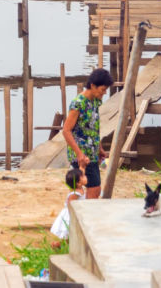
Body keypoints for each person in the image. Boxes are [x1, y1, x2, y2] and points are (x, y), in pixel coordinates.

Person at [62, 67, 113, 200]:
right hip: (82, 154)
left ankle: (87, 214)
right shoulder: (78, 104)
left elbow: (93, 128)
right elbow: (66, 130)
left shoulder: (95, 101)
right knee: (94, 188)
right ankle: (87, 217)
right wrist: (79, 154)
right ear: (92, 86)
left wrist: (100, 148)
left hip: (92, 152)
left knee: (95, 188)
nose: (104, 93)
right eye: (102, 89)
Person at [50, 167, 86, 242]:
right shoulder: (76, 193)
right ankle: (56, 245)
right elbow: (70, 204)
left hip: (75, 212)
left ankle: (59, 245)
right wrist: (73, 216)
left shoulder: (80, 188)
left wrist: (82, 166)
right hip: (70, 214)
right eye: (83, 176)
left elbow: (82, 171)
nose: (85, 177)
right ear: (78, 183)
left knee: (70, 235)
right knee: (68, 234)